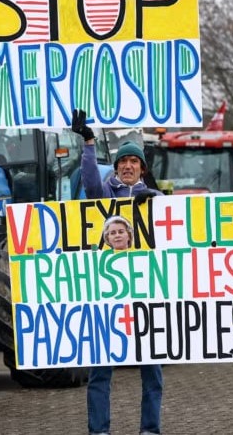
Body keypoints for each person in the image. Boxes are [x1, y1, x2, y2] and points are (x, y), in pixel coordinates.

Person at [71, 108, 164, 435]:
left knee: (152, 372)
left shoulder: (156, 201)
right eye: (122, 161)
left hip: (144, 300)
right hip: (106, 301)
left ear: (142, 168)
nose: (127, 166)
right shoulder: (103, 195)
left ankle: (150, 430)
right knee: (100, 373)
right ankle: (99, 431)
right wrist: (88, 143)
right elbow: (90, 180)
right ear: (116, 167)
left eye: (133, 162)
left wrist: (151, 202)